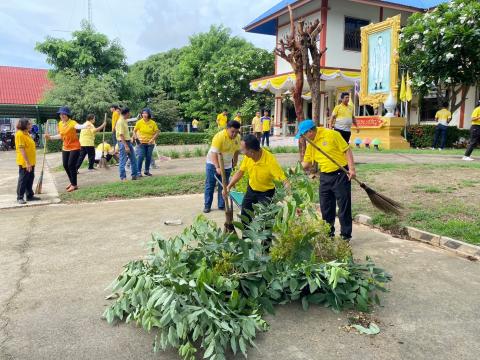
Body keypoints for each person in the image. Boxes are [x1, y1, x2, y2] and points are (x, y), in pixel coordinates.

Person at [297, 119, 356, 241]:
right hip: (325, 177)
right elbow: (306, 163)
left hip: (341, 174)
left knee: (343, 207)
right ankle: (328, 234)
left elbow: (347, 150)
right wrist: (294, 170)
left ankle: (345, 236)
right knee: (326, 207)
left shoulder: (332, 134)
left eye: (303, 135)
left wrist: (352, 169)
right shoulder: (311, 144)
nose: (303, 138)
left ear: (310, 131)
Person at [225, 134, 287, 224]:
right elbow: (240, 172)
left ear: (251, 152)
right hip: (251, 189)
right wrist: (229, 186)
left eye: (243, 149)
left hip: (266, 193)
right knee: (245, 216)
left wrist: (289, 197)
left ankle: (267, 237)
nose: (241, 151)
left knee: (267, 219)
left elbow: (284, 180)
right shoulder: (248, 157)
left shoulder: (270, 161)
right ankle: (246, 237)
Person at [45, 106, 88, 192]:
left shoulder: (72, 122)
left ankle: (74, 185)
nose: (62, 116)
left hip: (75, 147)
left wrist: (86, 125)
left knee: (71, 165)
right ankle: (72, 182)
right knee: (65, 165)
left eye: (64, 114)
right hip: (65, 147)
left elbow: (79, 126)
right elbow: (61, 135)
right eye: (61, 114)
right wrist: (50, 138)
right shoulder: (60, 123)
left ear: (67, 115)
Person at [204, 120, 241, 213]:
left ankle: (221, 205)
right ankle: (207, 205)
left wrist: (235, 164)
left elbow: (236, 152)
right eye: (232, 131)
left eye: (236, 132)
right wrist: (217, 167)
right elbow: (213, 153)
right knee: (210, 185)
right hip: (213, 163)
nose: (234, 134)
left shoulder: (238, 138)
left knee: (224, 186)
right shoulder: (219, 137)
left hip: (227, 164)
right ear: (227, 129)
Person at [15, 118, 40, 204]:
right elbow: (22, 149)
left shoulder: (27, 133)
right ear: (24, 125)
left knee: (30, 178)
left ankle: (29, 195)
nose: (31, 125)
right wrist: (27, 162)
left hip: (31, 161)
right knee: (23, 179)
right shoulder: (20, 134)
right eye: (29, 124)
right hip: (25, 162)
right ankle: (20, 197)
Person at [134, 108, 159, 177]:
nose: (144, 114)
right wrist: (137, 140)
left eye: (146, 113)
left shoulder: (152, 123)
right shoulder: (139, 122)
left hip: (150, 143)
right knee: (141, 156)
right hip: (141, 143)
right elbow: (134, 131)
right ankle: (138, 171)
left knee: (148, 157)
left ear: (149, 114)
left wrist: (152, 139)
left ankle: (146, 171)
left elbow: (157, 132)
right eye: (143, 113)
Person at [116, 108, 140, 181]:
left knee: (133, 159)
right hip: (123, 143)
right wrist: (126, 146)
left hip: (128, 142)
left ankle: (134, 176)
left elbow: (131, 120)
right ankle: (123, 177)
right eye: (129, 113)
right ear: (126, 113)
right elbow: (121, 135)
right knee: (123, 160)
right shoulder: (120, 122)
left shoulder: (124, 120)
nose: (129, 114)